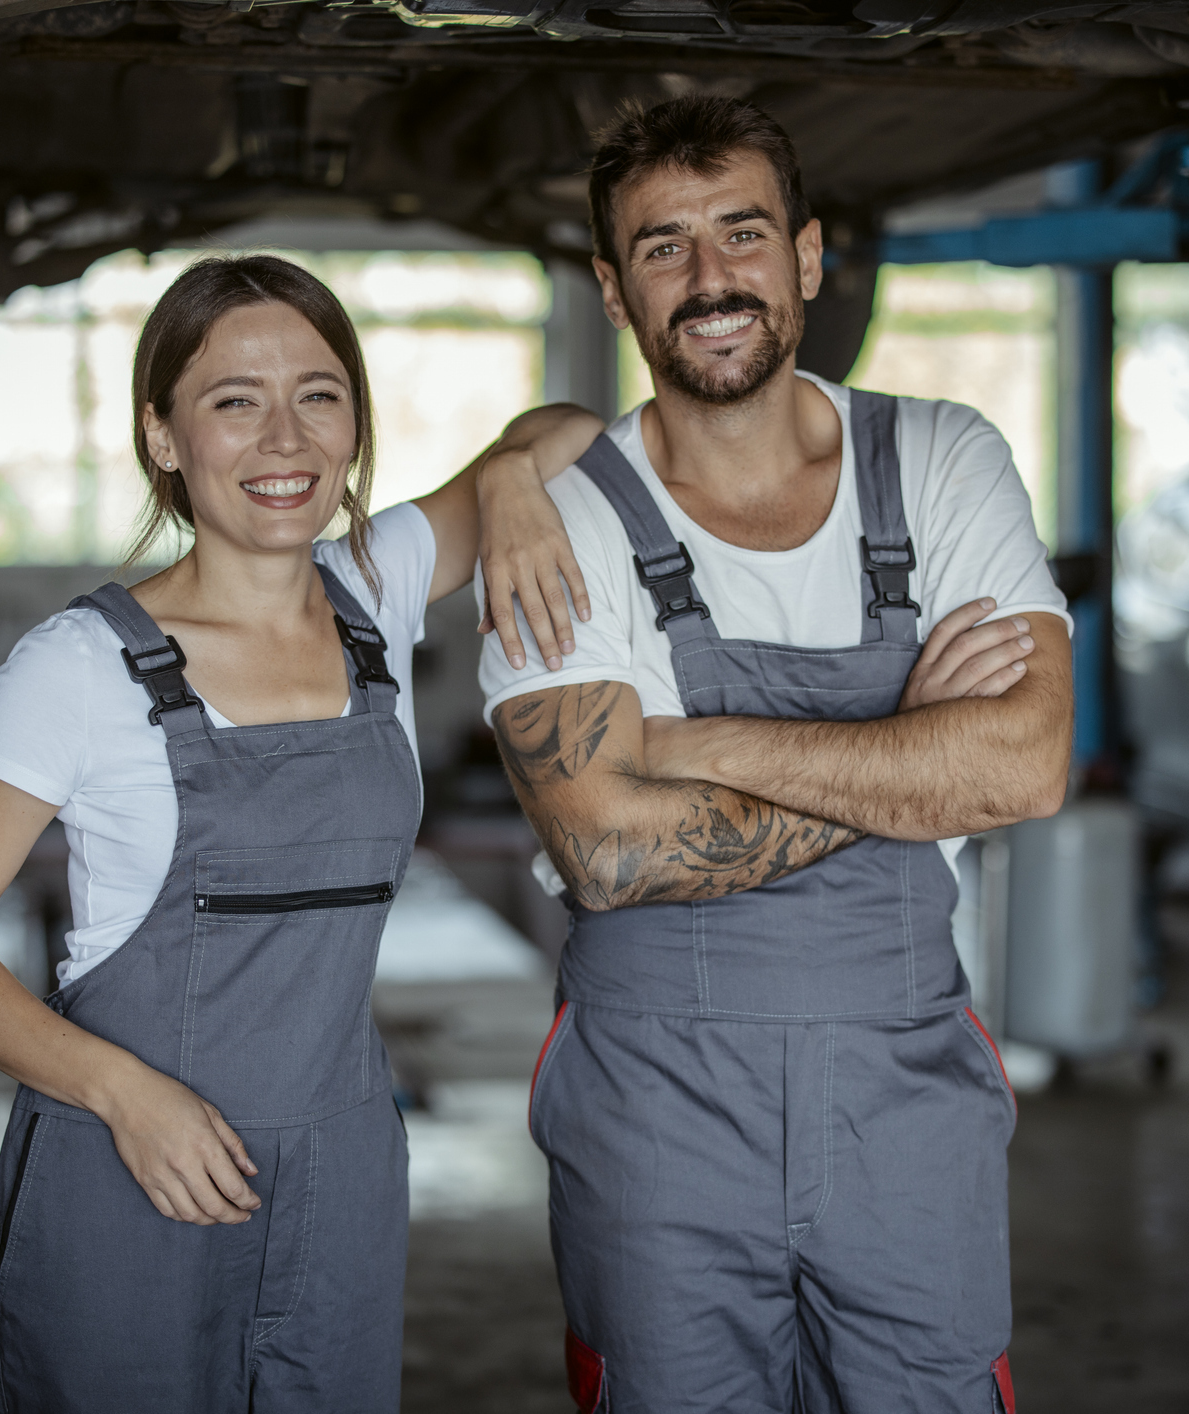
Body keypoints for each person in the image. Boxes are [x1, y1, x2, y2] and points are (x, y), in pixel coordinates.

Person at [0, 254, 601, 1413]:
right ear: (164, 437)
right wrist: (124, 1094)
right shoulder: (78, 666)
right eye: (234, 401)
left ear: (356, 425)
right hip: (131, 1173)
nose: (286, 439)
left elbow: (580, 427)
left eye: (319, 395)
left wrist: (509, 479)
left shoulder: (380, 584)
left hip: (343, 1176)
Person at [476, 98, 1074, 1414]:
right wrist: (907, 748)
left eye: (742, 234)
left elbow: (1021, 766)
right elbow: (610, 848)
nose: (710, 279)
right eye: (663, 247)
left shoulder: (941, 460)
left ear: (806, 257)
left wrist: (694, 744)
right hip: (654, 1110)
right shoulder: (560, 523)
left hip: (903, 1092)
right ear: (613, 288)